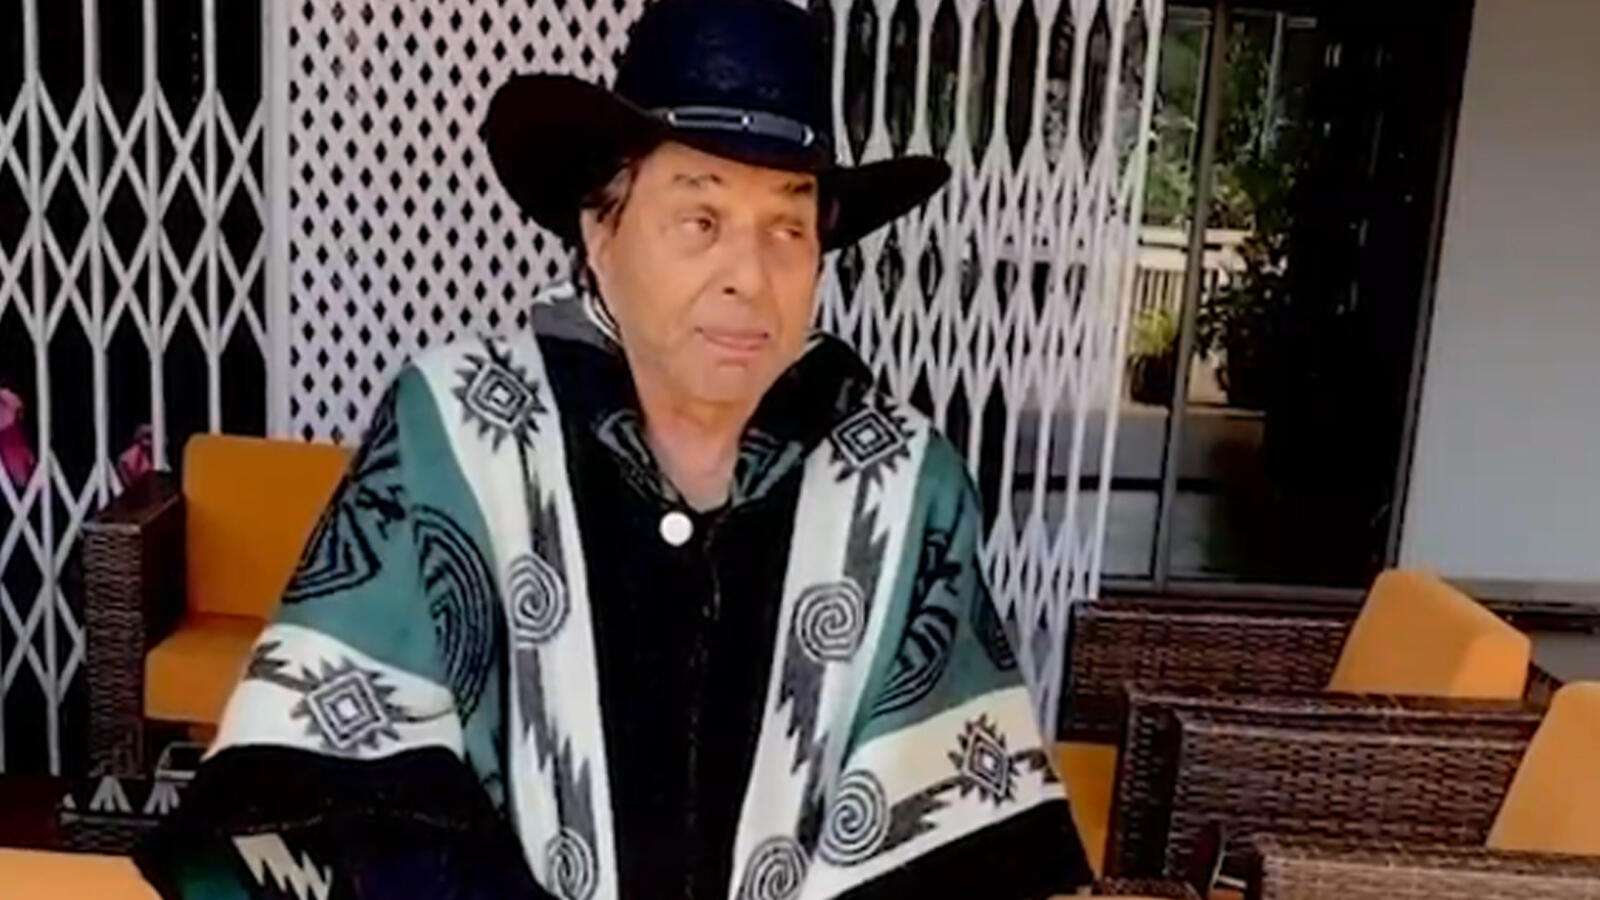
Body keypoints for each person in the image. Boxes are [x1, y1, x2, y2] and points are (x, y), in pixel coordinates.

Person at [137, 0, 1091, 896]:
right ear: (602, 228)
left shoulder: (901, 482)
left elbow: (953, 848)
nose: (749, 276)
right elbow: (321, 795)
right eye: (701, 220)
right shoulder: (462, 435)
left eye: (788, 227)